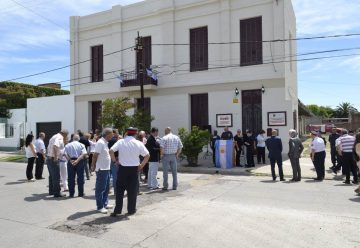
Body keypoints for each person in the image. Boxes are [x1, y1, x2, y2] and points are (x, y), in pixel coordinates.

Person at [110, 127, 150, 216]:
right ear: (135, 134)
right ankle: (131, 210)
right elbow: (147, 155)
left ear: (127, 133)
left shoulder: (121, 142)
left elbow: (111, 150)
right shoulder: (138, 143)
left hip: (122, 169)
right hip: (134, 169)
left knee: (119, 190)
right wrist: (141, 165)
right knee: (132, 191)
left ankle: (117, 210)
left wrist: (114, 161)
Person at [91, 128, 114, 214]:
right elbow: (95, 155)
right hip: (101, 169)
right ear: (108, 134)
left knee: (107, 188)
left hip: (106, 168)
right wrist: (93, 165)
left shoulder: (105, 142)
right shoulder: (100, 142)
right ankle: (100, 206)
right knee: (100, 188)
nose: (113, 136)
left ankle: (105, 203)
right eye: (111, 134)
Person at [47, 129, 69, 197]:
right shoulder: (60, 137)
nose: (66, 138)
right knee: (56, 176)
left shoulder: (54, 136)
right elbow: (55, 146)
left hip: (49, 158)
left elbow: (49, 147)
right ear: (65, 134)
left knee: (51, 176)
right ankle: (57, 193)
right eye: (66, 136)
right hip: (53, 159)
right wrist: (56, 157)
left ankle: (51, 191)